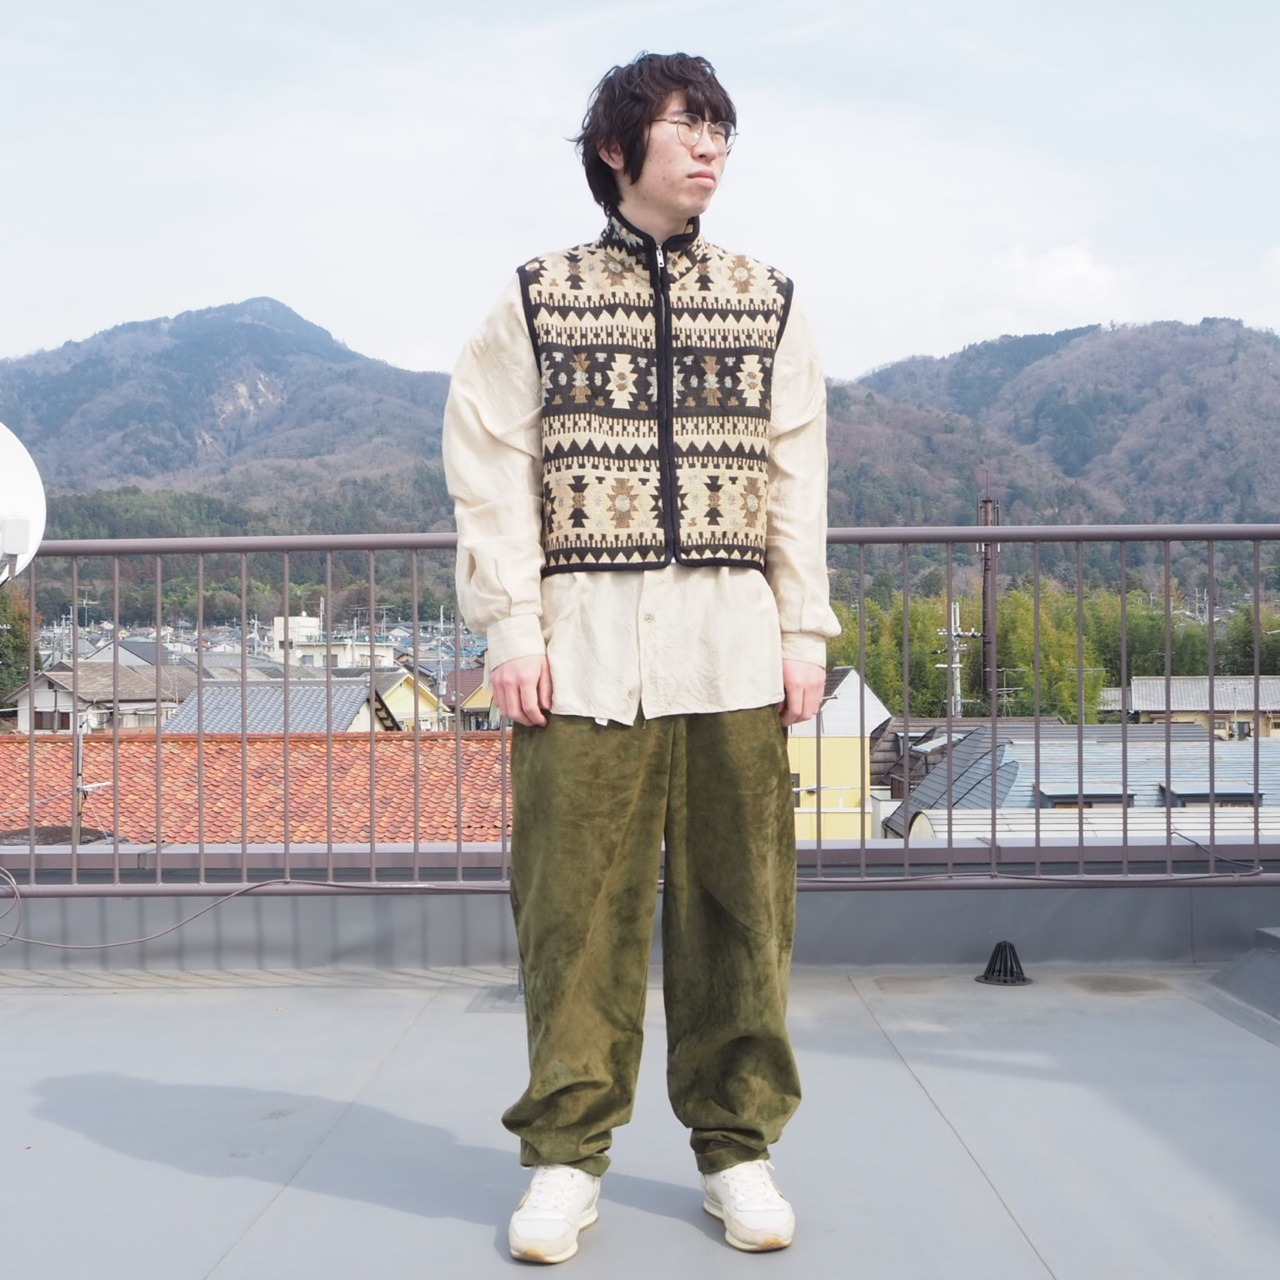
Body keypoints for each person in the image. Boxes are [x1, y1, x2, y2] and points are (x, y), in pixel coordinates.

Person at [443, 50, 838, 1263]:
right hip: (583, 650)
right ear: (617, 148)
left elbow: (797, 477)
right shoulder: (538, 296)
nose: (710, 146)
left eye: (720, 128)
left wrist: (802, 630)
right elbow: (489, 465)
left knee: (740, 904)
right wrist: (510, 629)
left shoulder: (765, 297)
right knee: (573, 907)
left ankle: (736, 1146)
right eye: (685, 125)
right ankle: (565, 1156)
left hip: (730, 648)